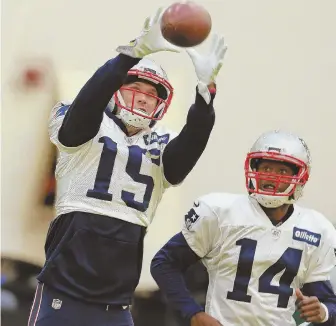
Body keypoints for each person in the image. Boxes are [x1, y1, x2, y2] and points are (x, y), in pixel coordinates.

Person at [27, 6, 227, 326]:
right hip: (62, 291)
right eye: (135, 87)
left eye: (152, 93)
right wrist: (129, 57)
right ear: (116, 89)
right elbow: (85, 108)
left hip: (116, 304)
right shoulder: (83, 124)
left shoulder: (162, 143)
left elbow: (186, 153)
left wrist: (205, 96)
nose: (144, 98)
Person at [151, 130, 336, 326]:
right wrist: (193, 313)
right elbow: (164, 264)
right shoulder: (220, 213)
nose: (271, 177)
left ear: (300, 177)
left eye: (282, 171)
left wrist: (323, 311)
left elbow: (328, 303)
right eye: (266, 168)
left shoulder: (317, 229)